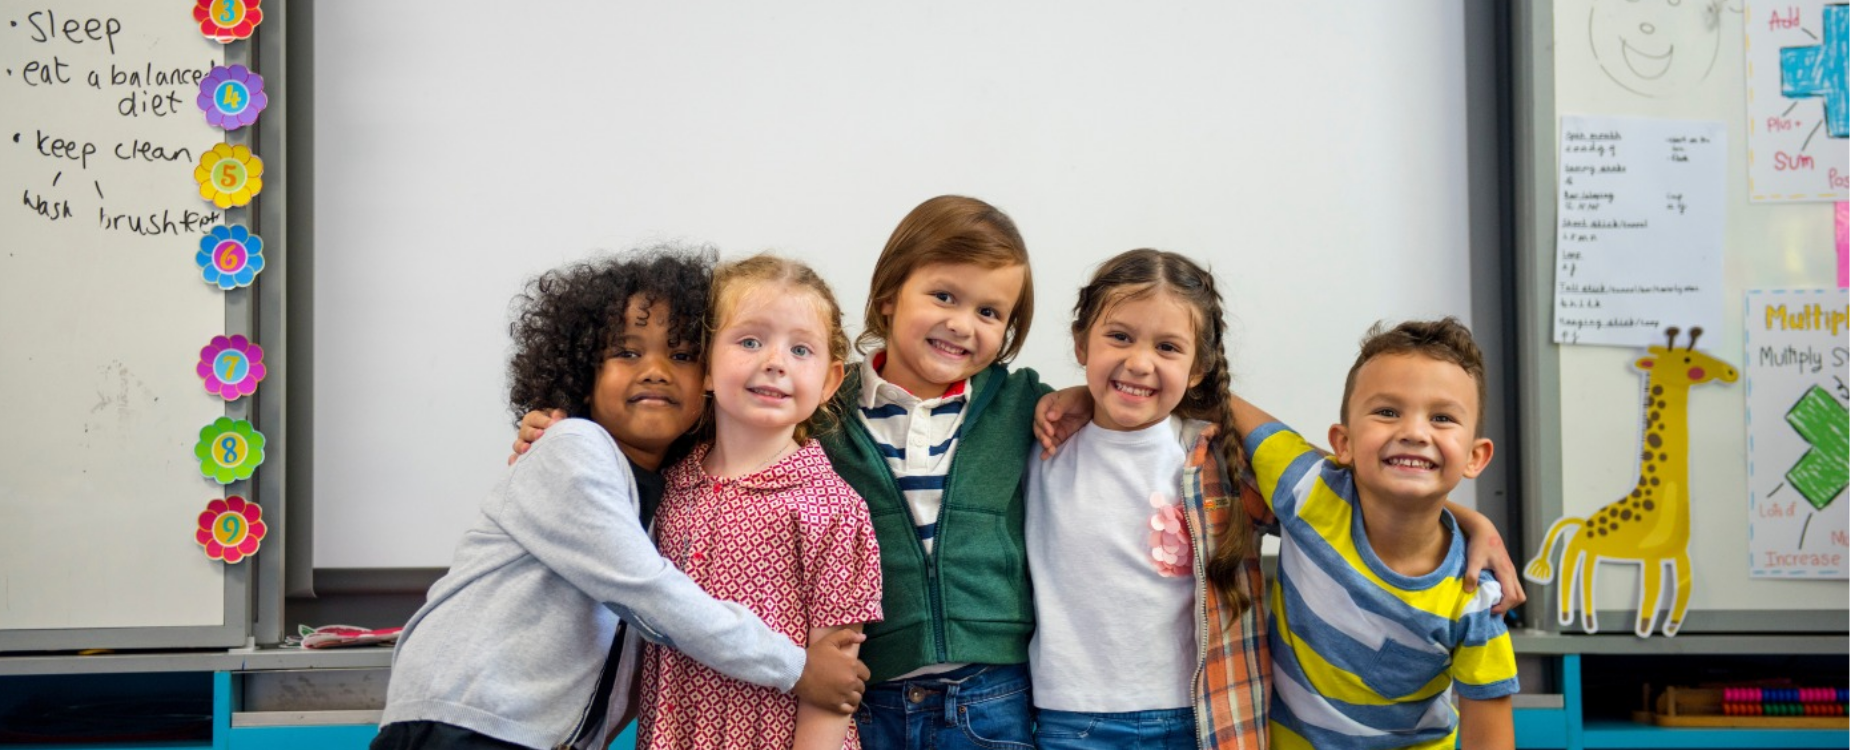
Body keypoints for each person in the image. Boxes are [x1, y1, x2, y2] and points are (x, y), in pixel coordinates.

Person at [374, 246, 867, 750]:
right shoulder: (573, 447)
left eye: (680, 355)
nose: (655, 371)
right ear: (580, 370)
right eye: (626, 352)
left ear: (705, 377)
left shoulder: (684, 488)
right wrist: (797, 668)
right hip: (466, 723)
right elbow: (646, 592)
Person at [1230, 318, 1519, 750]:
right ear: (1342, 443)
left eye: (1442, 418)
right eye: (1387, 412)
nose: (1414, 432)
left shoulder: (1474, 599)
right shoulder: (1310, 490)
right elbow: (1213, 391)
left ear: (1475, 457)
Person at [636, 254, 884, 750]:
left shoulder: (832, 507)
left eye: (800, 350)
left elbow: (833, 679)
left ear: (830, 381)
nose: (775, 362)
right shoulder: (666, 485)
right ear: (706, 367)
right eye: (750, 341)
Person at [1024, 249, 1269, 750]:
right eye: (1119, 337)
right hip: (1069, 719)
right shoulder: (1040, 445)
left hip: (1195, 716)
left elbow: (1330, 502)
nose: (1139, 362)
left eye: (1168, 347)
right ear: (1080, 343)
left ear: (1198, 367)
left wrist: (1467, 520)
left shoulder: (1215, 455)